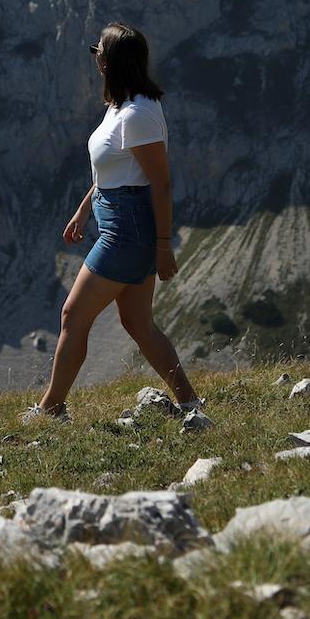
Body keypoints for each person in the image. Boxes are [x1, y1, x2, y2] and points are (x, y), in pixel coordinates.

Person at [21, 21, 204, 423]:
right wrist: (84, 209)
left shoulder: (137, 114)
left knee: (73, 315)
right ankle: (190, 403)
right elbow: (114, 171)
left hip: (128, 230)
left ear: (109, 61)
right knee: (138, 322)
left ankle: (51, 409)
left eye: (98, 50)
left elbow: (160, 183)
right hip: (116, 219)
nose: (95, 56)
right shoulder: (121, 106)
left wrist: (162, 246)